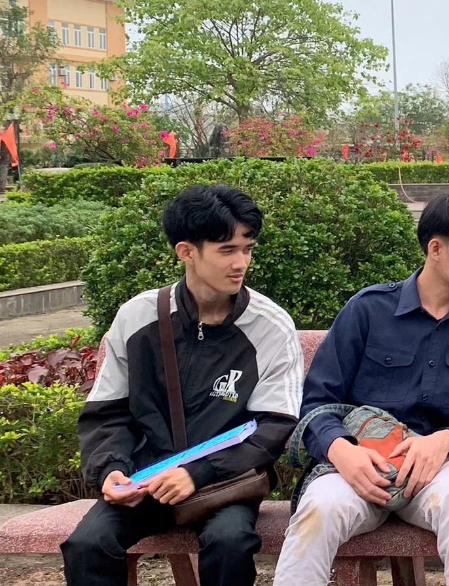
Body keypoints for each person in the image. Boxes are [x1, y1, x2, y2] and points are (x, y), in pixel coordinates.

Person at [274, 193, 449, 585]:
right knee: (318, 509)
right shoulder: (368, 309)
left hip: (440, 468)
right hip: (358, 464)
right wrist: (341, 450)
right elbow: (318, 399)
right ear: (436, 249)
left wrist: (445, 441)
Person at [64, 185, 303, 586]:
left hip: (224, 481)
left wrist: (199, 472)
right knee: (88, 545)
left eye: (247, 248)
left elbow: (274, 426)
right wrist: (111, 469)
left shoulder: (270, 327)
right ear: (187, 252)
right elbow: (107, 412)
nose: (241, 262)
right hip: (146, 478)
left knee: (230, 542)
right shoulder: (137, 317)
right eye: (227, 250)